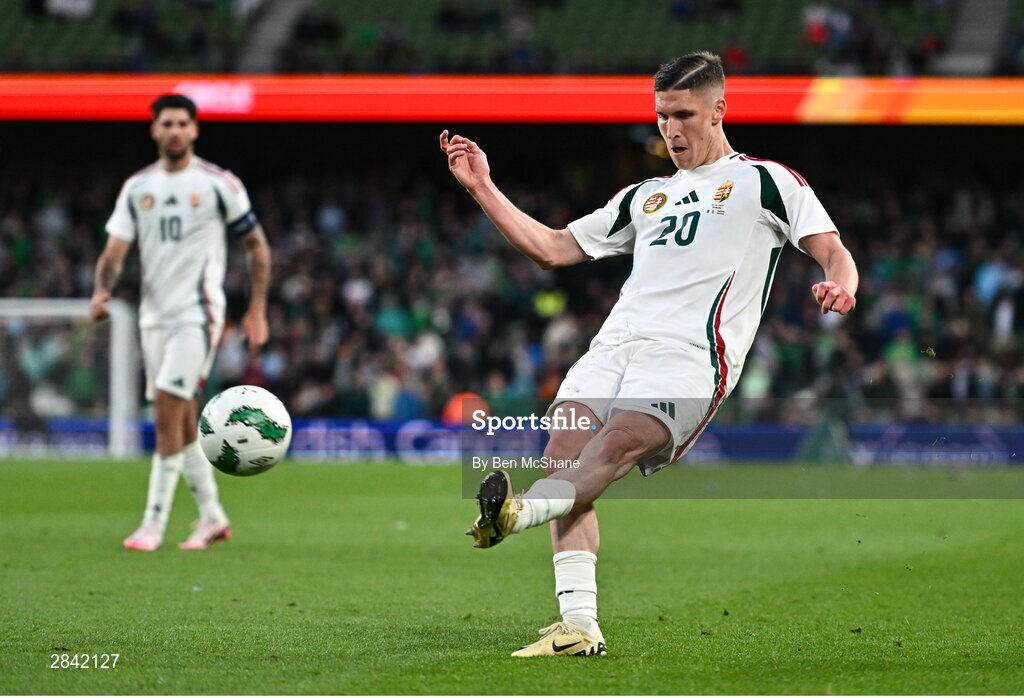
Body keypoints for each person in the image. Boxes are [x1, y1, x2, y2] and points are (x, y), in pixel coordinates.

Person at [440, 52, 857, 656]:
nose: (671, 130)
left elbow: (832, 249)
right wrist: (481, 186)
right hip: (614, 344)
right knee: (564, 452)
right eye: (662, 116)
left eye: (684, 114)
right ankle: (579, 626)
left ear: (719, 110)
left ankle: (518, 514)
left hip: (691, 355)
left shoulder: (766, 181)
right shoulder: (645, 196)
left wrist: (842, 284)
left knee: (610, 449)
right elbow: (554, 250)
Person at [91, 94, 271, 551]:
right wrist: (101, 289)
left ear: (194, 130)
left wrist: (256, 309)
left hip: (199, 314)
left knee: (167, 407)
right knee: (185, 420)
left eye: (182, 123)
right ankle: (212, 517)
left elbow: (256, 246)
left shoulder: (217, 184)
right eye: (166, 123)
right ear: (154, 130)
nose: (174, 130)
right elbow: (115, 251)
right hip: (153, 319)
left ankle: (152, 523)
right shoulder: (137, 188)